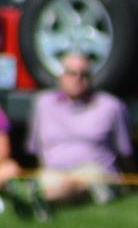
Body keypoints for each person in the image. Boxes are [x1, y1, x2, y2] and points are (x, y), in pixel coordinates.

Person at [27, 54, 131, 210]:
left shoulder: (110, 105)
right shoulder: (43, 104)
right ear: (60, 76)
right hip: (56, 170)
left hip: (97, 172)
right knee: (49, 180)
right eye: (71, 73)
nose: (78, 79)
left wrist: (131, 183)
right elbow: (37, 150)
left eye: (84, 74)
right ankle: (42, 199)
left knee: (79, 180)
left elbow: (124, 152)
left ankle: (46, 201)